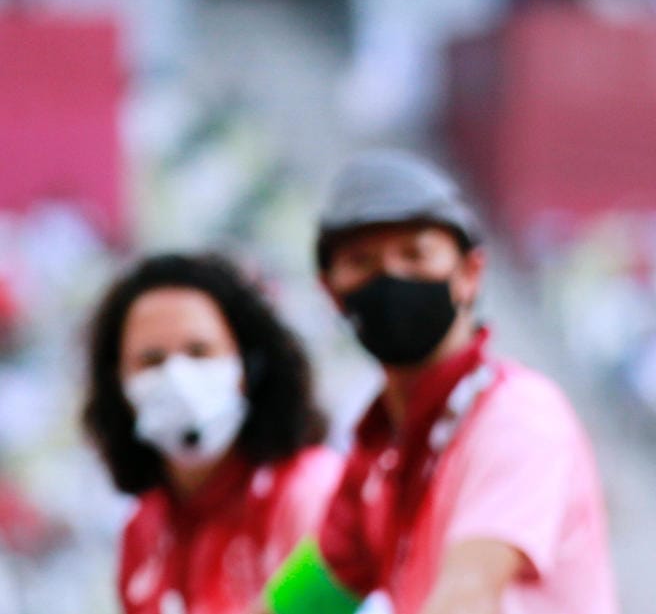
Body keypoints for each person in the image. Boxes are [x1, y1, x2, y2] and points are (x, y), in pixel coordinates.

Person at [265, 149, 616, 614]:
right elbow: (298, 605)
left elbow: (466, 596)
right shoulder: (380, 449)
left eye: (415, 254)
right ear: (331, 291)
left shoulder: (517, 418)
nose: (390, 276)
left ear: (470, 274)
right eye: (361, 260)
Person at [81, 252, 340, 614]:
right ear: (118, 385)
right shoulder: (144, 530)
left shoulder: (312, 492)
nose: (177, 378)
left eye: (199, 352)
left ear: (248, 366)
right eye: (151, 361)